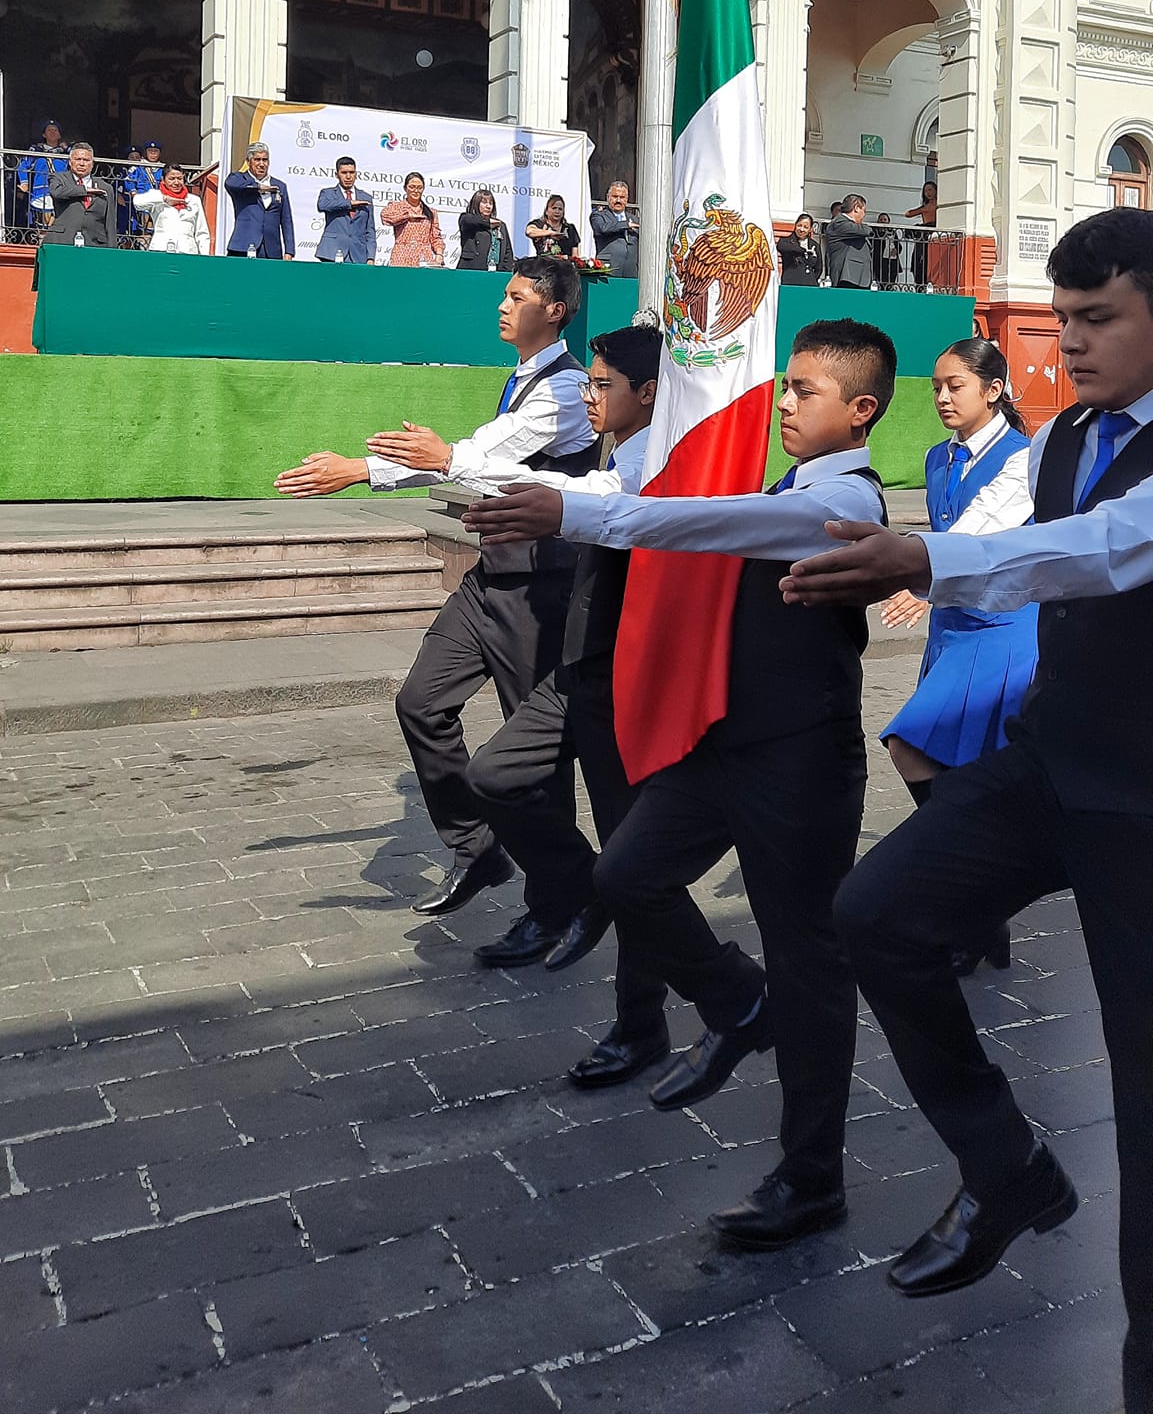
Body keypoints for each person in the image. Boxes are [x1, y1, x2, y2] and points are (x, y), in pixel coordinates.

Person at [781, 208, 1153, 1414]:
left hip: (1145, 806)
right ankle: (1006, 1168)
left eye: (1100, 318)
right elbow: (1062, 566)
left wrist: (924, 559)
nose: (1073, 343)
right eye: (1066, 318)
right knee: (875, 910)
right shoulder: (1069, 437)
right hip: (1049, 765)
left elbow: (1103, 551)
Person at [471, 321, 896, 1251]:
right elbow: (680, 498)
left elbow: (690, 522)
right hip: (722, 748)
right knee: (623, 878)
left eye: (807, 393)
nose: (784, 405)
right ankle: (739, 1002)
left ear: (860, 412)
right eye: (782, 387)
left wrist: (570, 512)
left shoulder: (844, 506)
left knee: (809, 960)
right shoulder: (778, 488)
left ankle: (810, 1176)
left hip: (801, 764)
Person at [274, 258, 599, 917]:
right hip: (491, 578)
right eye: (503, 295)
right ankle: (477, 848)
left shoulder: (563, 391)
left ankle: (558, 901)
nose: (502, 306)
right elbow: (467, 465)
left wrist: (362, 468)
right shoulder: (524, 377)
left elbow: (483, 455)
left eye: (516, 296)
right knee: (420, 702)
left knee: (529, 755)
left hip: (540, 589)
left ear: (555, 310)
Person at [463, 326, 672, 1090]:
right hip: (579, 666)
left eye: (602, 384)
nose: (588, 397)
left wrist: (542, 503)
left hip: (624, 679)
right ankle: (581, 887)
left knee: (632, 862)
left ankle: (639, 1027)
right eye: (587, 383)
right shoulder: (616, 452)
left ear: (646, 394)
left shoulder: (658, 464)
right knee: (493, 774)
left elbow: (610, 506)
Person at [880, 338, 1036, 974]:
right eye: (937, 386)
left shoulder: (1024, 459)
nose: (942, 397)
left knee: (910, 744)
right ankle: (982, 908)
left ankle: (974, 899)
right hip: (951, 628)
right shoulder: (937, 458)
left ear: (992, 391)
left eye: (956, 386)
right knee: (962, 773)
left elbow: (983, 530)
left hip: (1001, 629)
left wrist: (923, 580)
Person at [225, 143, 294, 259]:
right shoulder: (239, 179)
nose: (262, 164)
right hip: (243, 247)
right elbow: (230, 183)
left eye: (265, 160)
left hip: (271, 250)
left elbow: (286, 220)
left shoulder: (280, 186)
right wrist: (258, 187)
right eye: (257, 160)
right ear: (248, 161)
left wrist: (289, 251)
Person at [40, 142, 115, 248]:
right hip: (63, 241)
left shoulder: (106, 187)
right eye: (78, 159)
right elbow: (56, 192)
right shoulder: (59, 178)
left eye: (86, 160)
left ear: (92, 163)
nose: (81, 163)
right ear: (70, 162)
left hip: (94, 245)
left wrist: (112, 252)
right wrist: (85, 190)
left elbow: (110, 223)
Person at [133, 163, 211, 255]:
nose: (176, 183)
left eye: (179, 178)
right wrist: (164, 199)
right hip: (161, 250)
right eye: (171, 179)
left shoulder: (193, 200)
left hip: (187, 251)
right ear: (163, 180)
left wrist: (204, 256)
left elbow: (202, 232)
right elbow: (137, 202)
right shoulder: (156, 197)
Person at [315, 158, 375, 265]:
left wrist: (371, 256)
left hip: (358, 255)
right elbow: (322, 205)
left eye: (351, 172)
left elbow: (370, 230)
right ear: (337, 174)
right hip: (331, 253)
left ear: (356, 174)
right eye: (344, 173)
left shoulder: (366, 198)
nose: (348, 176)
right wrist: (350, 203)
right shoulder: (328, 193)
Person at [381, 173, 444, 267]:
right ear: (405, 188)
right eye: (412, 187)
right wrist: (407, 216)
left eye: (419, 188)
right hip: (401, 255)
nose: (416, 191)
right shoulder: (397, 207)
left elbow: (436, 237)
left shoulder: (431, 212)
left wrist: (439, 254)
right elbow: (385, 217)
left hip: (424, 257)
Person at [16, 121, 68, 230]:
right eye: (49, 130)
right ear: (44, 135)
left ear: (59, 135)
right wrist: (24, 182)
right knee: (42, 228)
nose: (52, 132)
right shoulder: (36, 150)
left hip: (60, 192)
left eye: (55, 130)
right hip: (40, 193)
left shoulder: (65, 153)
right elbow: (22, 166)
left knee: (58, 228)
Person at [457, 187, 514, 273]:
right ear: (476, 204)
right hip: (470, 270)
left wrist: (506, 271)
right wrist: (488, 223)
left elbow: (507, 251)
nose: (488, 206)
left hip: (496, 271)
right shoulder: (466, 219)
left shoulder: (500, 225)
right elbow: (473, 221)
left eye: (491, 203)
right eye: (484, 203)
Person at [590, 181, 640, 278]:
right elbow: (602, 228)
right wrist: (626, 224)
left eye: (622, 197)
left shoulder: (635, 219)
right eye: (615, 196)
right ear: (608, 198)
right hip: (608, 269)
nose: (618, 200)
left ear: (627, 199)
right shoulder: (598, 216)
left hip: (631, 271)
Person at [824, 194, 872, 289]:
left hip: (857, 278)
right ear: (856, 208)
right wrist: (869, 229)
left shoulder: (848, 225)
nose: (864, 215)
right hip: (847, 277)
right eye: (864, 211)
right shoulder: (839, 222)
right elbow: (864, 230)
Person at [526, 194, 580, 260]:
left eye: (560, 209)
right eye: (554, 208)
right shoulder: (539, 224)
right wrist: (550, 233)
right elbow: (529, 231)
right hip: (544, 266)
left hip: (565, 266)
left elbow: (575, 256)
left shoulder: (570, 228)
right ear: (546, 211)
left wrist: (566, 258)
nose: (557, 211)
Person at [777, 213, 823, 287]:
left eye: (805, 227)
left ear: (810, 229)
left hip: (809, 286)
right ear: (795, 225)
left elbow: (818, 269)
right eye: (799, 225)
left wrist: (811, 279)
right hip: (790, 284)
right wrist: (803, 251)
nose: (801, 229)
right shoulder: (785, 241)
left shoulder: (815, 245)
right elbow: (781, 247)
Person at [871, 214, 901, 289]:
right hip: (881, 260)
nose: (883, 221)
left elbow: (899, 246)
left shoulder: (893, 232)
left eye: (885, 220)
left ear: (888, 221)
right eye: (881, 220)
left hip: (892, 259)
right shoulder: (875, 232)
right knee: (882, 279)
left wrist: (896, 250)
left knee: (892, 280)